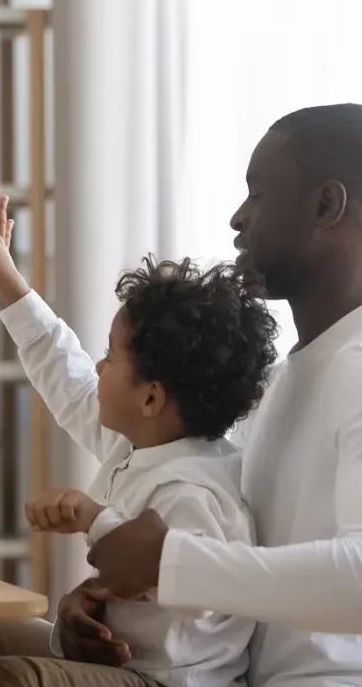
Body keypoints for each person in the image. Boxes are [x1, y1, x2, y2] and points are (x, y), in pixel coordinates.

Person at [73, 103, 362, 687]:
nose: (238, 217)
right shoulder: (288, 379)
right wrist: (108, 599)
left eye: (258, 194)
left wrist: (171, 563)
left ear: (326, 206)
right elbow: (230, 557)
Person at [0, 188, 277, 687]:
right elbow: (65, 376)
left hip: (167, 682)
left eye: (109, 356)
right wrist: (9, 283)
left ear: (150, 399)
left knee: (14, 676)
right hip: (126, 661)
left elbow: (196, 584)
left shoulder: (195, 487)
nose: (98, 367)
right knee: (0, 635)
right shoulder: (139, 444)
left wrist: (94, 518)